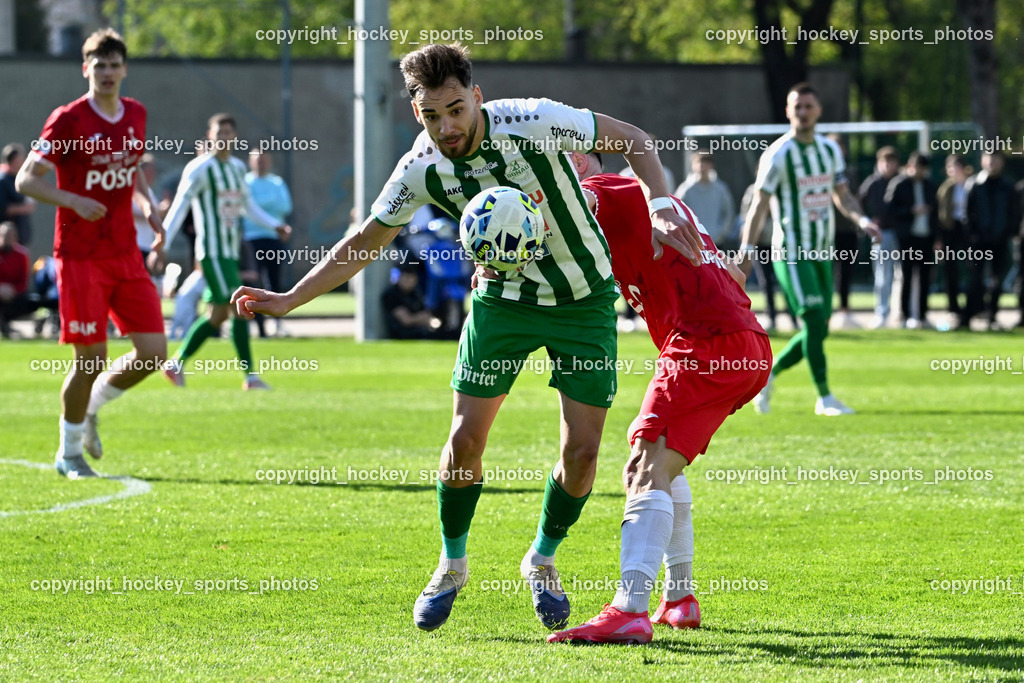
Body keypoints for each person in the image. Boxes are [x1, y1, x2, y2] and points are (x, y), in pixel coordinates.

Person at [231, 42, 704, 633]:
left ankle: (542, 559)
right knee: (463, 442)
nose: (447, 126)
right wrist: (288, 298)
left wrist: (659, 201)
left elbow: (632, 137)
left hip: (583, 298)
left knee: (583, 454)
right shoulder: (421, 166)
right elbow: (367, 240)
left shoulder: (533, 121)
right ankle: (452, 564)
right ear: (417, 115)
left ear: (477, 96)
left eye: (456, 109)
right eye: (432, 116)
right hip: (501, 303)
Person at [545, 153, 770, 645]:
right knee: (665, 466)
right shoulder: (655, 203)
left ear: (580, 161)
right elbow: (734, 274)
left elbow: (570, 203)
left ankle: (629, 609)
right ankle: (680, 597)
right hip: (743, 344)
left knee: (642, 467)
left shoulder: (603, 190)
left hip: (703, 344)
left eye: (553, 164)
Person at [15, 28, 168, 478]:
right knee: (90, 359)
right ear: (86, 69)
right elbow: (27, 179)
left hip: (123, 251)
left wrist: (146, 206)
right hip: (80, 256)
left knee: (155, 352)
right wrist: (73, 200)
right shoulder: (68, 120)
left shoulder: (135, 114)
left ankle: (93, 406)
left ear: (125, 70)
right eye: (98, 65)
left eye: (114, 64)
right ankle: (69, 454)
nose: (106, 72)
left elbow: (133, 169)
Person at [737, 82, 880, 416]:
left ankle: (768, 376)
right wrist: (746, 247)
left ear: (818, 111)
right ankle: (825, 398)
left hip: (822, 250)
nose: (802, 112)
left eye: (808, 106)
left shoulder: (829, 151)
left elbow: (841, 194)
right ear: (788, 111)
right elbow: (759, 202)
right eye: (796, 106)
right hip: (791, 251)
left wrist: (861, 220)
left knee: (819, 328)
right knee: (814, 322)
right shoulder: (778, 153)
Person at [160, 113, 290, 390]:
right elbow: (180, 206)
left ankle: (176, 364)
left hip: (230, 252)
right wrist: (163, 242)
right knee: (238, 306)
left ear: (235, 137)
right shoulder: (199, 168)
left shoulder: (235, 168)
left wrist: (274, 224)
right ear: (210, 136)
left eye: (228, 133)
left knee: (218, 315)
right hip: (212, 252)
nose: (223, 138)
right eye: (219, 133)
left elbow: (247, 206)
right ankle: (251, 377)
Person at [243, 150, 293, 338]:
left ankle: (277, 322)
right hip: (251, 239)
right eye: (257, 161)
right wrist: (264, 207)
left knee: (274, 278)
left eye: (264, 160)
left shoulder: (276, 183)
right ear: (251, 162)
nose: (261, 164)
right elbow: (246, 208)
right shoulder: (246, 182)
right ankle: (254, 323)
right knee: (252, 280)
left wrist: (257, 206)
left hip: (273, 238)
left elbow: (285, 206)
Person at [885, 151, 938, 329]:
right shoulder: (899, 184)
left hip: (926, 237)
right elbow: (890, 210)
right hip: (907, 238)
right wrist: (911, 210)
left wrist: (937, 237)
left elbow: (936, 213)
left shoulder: (930, 186)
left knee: (924, 277)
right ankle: (905, 315)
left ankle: (922, 315)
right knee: (906, 276)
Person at [963, 150, 1014, 331]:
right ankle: (968, 317)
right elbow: (967, 213)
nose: (992, 163)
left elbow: (1012, 214)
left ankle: (992, 316)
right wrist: (974, 235)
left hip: (999, 240)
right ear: (983, 161)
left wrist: (1006, 233)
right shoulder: (974, 185)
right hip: (978, 241)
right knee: (975, 279)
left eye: (996, 159)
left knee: (996, 281)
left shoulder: (1008, 186)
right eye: (989, 159)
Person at [859, 147, 900, 328]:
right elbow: (857, 203)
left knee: (902, 275)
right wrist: (868, 221)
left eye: (892, 162)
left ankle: (901, 313)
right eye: (885, 162)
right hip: (881, 233)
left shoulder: (902, 182)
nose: (889, 166)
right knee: (882, 275)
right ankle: (881, 313)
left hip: (901, 233)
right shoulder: (872, 183)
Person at [827, 134, 860, 329]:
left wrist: (861, 221)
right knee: (824, 269)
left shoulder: (850, 174)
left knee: (846, 270)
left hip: (847, 229)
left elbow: (852, 199)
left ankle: (844, 310)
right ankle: (825, 309)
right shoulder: (817, 172)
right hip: (825, 231)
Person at [674, 151, 735, 246]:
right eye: (698, 162)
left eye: (706, 163)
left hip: (716, 242)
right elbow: (676, 211)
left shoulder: (721, 189)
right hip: (693, 242)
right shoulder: (685, 189)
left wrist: (721, 233)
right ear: (693, 165)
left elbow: (728, 213)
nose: (702, 166)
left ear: (711, 165)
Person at [936, 154, 969, 323]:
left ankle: (972, 307)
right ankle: (953, 307)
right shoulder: (945, 188)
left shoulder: (971, 186)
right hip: (950, 230)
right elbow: (940, 215)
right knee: (950, 270)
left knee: (972, 268)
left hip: (968, 229)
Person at [382, 261, 443, 339]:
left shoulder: (416, 293)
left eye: (411, 278)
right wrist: (421, 318)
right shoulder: (392, 294)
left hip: (421, 329)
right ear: (399, 278)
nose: (408, 281)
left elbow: (426, 314)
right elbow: (406, 320)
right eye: (405, 278)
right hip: (404, 334)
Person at [0, 221, 36, 338]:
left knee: (31, 303)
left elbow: (23, 282)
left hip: (14, 296)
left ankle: (5, 324)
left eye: (10, 236)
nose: (6, 239)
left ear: (15, 237)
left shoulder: (22, 255)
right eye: (3, 235)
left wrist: (13, 290)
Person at [0, 143, 37, 246]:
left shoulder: (18, 177)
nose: (24, 160)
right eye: (21, 157)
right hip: (5, 240)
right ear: (14, 159)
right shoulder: (3, 180)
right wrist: (25, 208)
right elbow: (3, 208)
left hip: (19, 236)